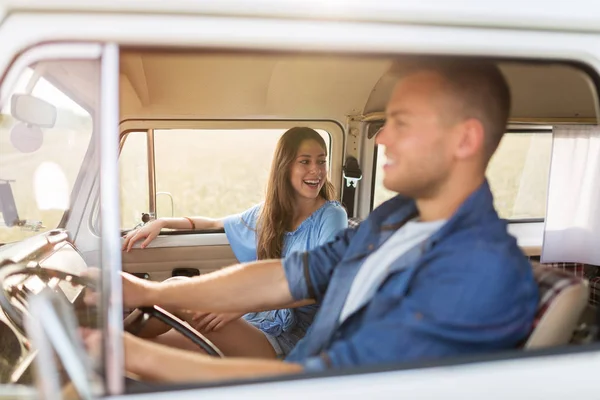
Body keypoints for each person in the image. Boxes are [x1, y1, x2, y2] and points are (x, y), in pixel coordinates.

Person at [89, 58, 539, 383]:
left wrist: (132, 356)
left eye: (400, 122)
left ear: (464, 139)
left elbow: (318, 383)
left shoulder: (480, 274)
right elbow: (289, 277)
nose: (382, 137)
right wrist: (150, 290)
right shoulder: (397, 217)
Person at [121, 127, 348, 359]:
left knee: (176, 290)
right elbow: (213, 224)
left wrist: (241, 305)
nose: (316, 171)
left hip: (292, 341)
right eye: (305, 161)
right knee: (150, 345)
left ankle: (105, 341)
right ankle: (106, 346)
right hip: (258, 323)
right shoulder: (270, 213)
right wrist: (163, 222)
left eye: (321, 161)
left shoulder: (331, 215)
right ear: (285, 166)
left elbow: (322, 283)